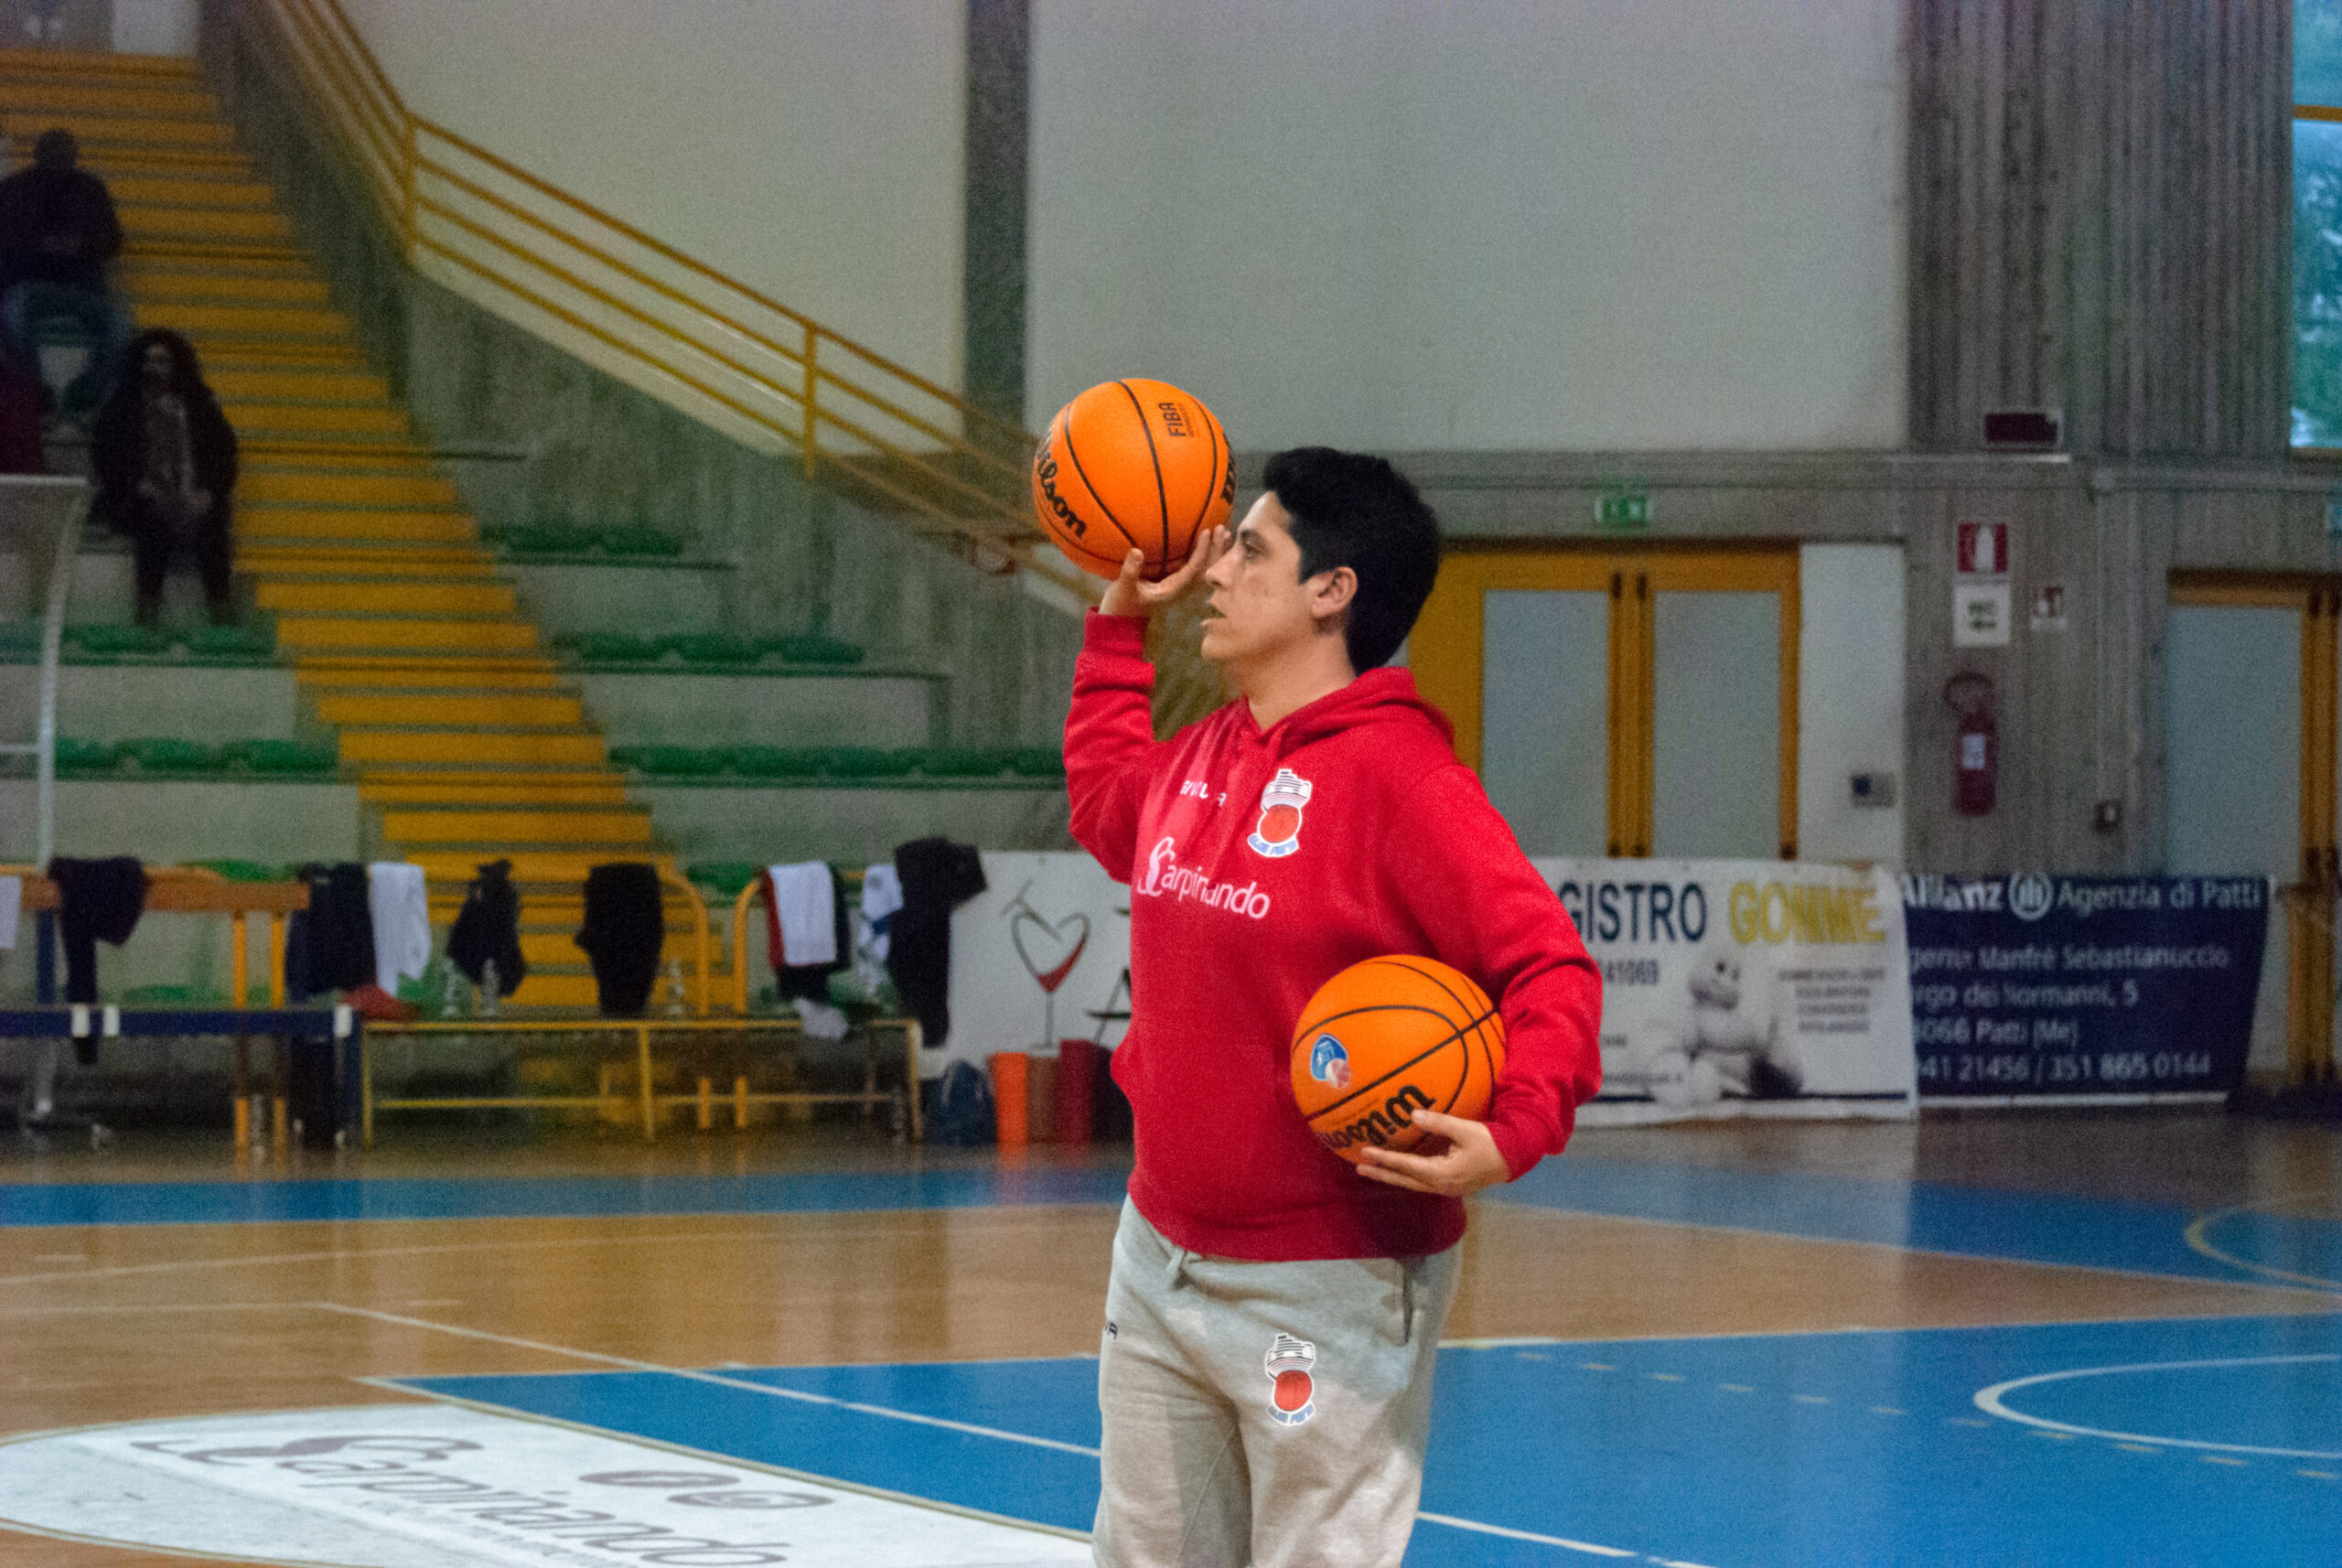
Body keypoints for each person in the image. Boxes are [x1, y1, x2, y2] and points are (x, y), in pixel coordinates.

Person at [1065, 446, 1604, 1566]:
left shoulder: (1407, 783)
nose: (1214, 570)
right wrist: (1117, 633)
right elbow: (1113, 812)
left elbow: (1550, 969)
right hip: (1155, 1253)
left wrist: (1512, 1131)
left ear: (1331, 590)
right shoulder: (1210, 748)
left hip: (1330, 1277)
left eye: (1249, 549)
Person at [91, 329, 240, 627]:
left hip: (191, 494)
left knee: (214, 524)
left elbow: (225, 454)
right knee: (152, 521)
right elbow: (106, 458)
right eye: (148, 361)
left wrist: (208, 492)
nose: (153, 368)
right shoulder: (122, 408)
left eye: (162, 362)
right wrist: (138, 485)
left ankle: (220, 610)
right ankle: (147, 609)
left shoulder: (200, 407)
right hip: (139, 497)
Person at [0, 128, 132, 419]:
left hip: (81, 286)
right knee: (10, 315)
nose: (60, 162)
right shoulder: (14, 189)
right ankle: (33, 389)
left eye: (66, 156)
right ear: (38, 156)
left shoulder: (91, 190)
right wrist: (38, 246)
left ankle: (87, 390)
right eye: (54, 156)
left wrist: (81, 246)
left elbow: (113, 240)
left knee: (120, 324)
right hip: (28, 283)